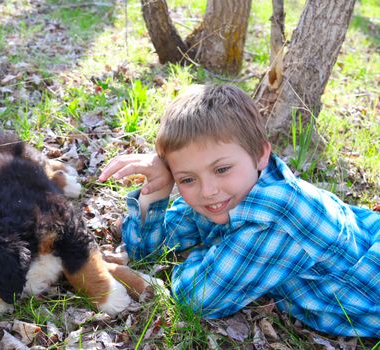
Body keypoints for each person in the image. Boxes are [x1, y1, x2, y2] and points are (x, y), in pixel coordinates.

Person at [98, 84, 380, 337]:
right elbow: (149, 249)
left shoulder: (273, 217)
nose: (207, 190)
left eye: (222, 169)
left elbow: (198, 299)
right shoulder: (230, 191)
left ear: (260, 154)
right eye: (186, 179)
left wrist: (208, 250)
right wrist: (158, 189)